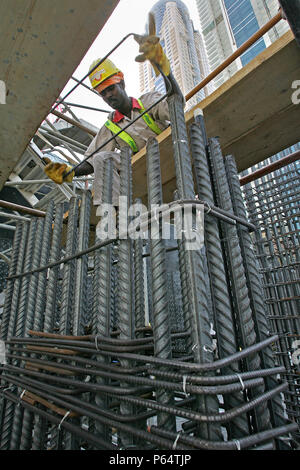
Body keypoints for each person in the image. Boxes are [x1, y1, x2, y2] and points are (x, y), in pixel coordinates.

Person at [44, 14, 183, 207]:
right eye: (103, 93)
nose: (108, 95)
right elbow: (92, 161)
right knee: (103, 157)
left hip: (172, 152)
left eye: (111, 88)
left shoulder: (147, 101)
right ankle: (112, 213)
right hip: (147, 169)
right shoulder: (110, 126)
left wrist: (163, 68)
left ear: (122, 83)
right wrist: (69, 172)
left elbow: (177, 105)